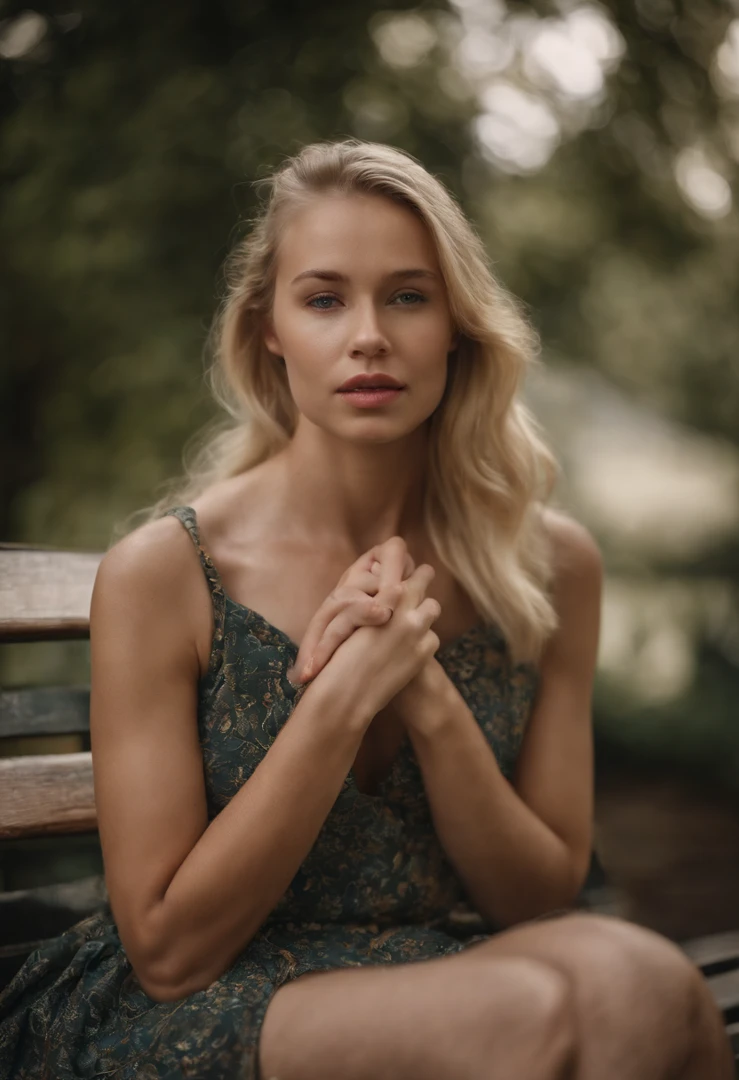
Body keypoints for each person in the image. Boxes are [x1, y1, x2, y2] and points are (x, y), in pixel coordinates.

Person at [0, 138, 732, 1080]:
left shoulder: (548, 565)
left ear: (456, 326)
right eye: (323, 298)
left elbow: (537, 900)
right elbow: (169, 953)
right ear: (269, 327)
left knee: (652, 988)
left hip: (446, 960)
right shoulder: (166, 573)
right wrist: (342, 699)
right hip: (194, 1003)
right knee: (530, 1017)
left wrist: (426, 699)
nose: (368, 335)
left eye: (407, 296)